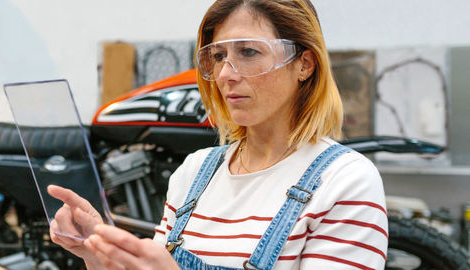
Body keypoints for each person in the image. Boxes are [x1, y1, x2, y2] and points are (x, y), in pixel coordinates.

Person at [49, 0, 388, 269]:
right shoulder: (196, 171)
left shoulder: (344, 180)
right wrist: (95, 251)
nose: (227, 73)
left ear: (305, 64)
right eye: (218, 56)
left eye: (249, 52)